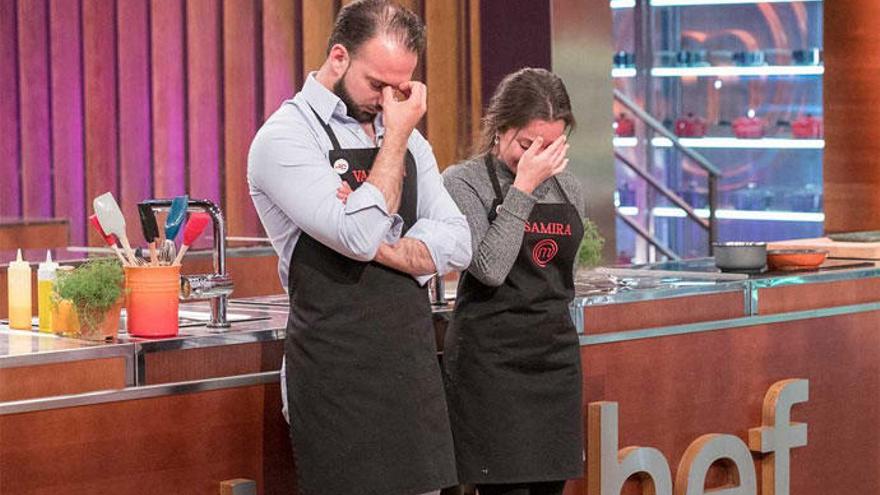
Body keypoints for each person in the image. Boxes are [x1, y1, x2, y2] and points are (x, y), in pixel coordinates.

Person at [247, 1, 472, 494]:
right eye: (377, 84)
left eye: (402, 87)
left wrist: (381, 243)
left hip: (410, 372)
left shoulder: (410, 141)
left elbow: (458, 241)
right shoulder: (286, 138)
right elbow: (356, 235)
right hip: (336, 379)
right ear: (339, 57)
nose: (389, 100)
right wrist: (395, 142)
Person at [440, 68, 586, 495]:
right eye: (527, 144)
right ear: (500, 129)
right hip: (491, 368)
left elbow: (564, 276)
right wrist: (522, 188)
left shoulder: (569, 188)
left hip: (554, 362)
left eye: (551, 145)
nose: (536, 157)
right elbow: (489, 267)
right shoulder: (463, 181)